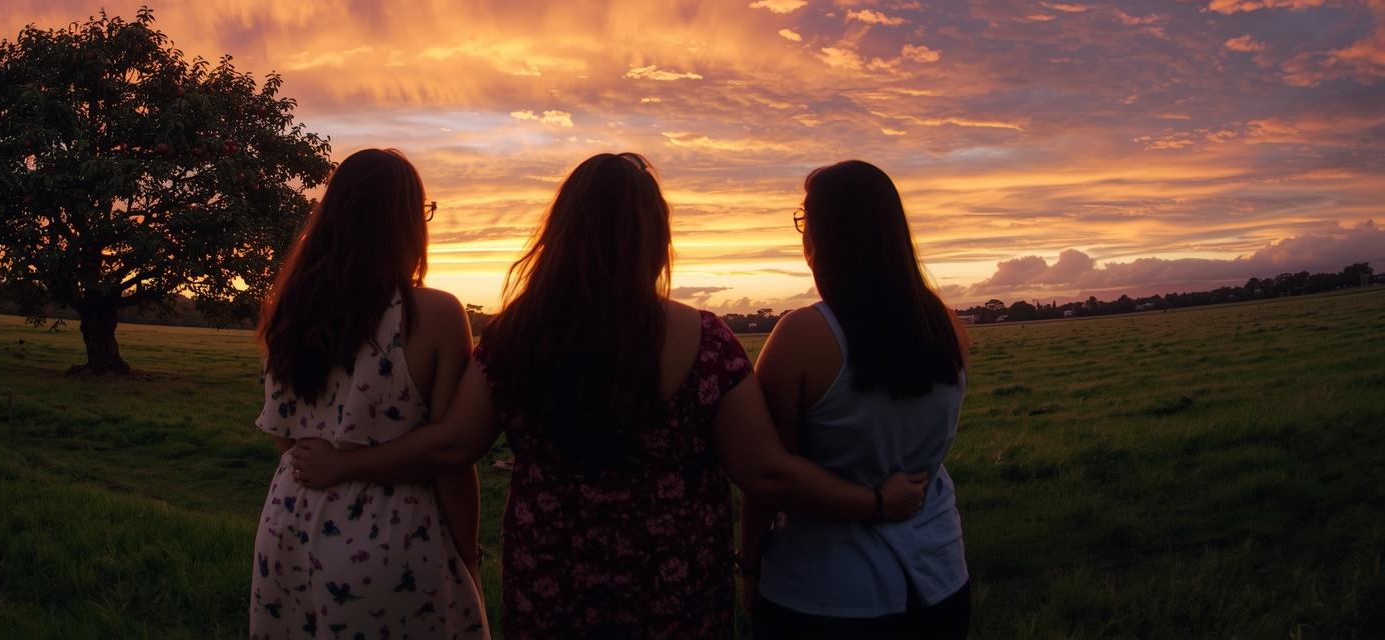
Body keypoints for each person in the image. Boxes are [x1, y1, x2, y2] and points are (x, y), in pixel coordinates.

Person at [288, 152, 930, 639]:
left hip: (552, 585)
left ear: (561, 236)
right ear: (655, 238)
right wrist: (870, 501)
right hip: (673, 592)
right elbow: (763, 470)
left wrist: (347, 462)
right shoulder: (706, 340)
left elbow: (455, 444)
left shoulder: (516, 337)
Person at [250, 148, 489, 640]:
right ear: (407, 222)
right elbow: (449, 455)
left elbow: (287, 441)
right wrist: (468, 552)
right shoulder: (435, 315)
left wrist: (335, 462)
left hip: (289, 524)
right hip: (394, 535)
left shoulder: (288, 311)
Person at [740, 160, 972, 639]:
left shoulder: (803, 335)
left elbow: (769, 478)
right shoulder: (947, 324)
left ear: (822, 236)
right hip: (940, 578)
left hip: (823, 593)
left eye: (805, 218)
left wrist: (748, 567)